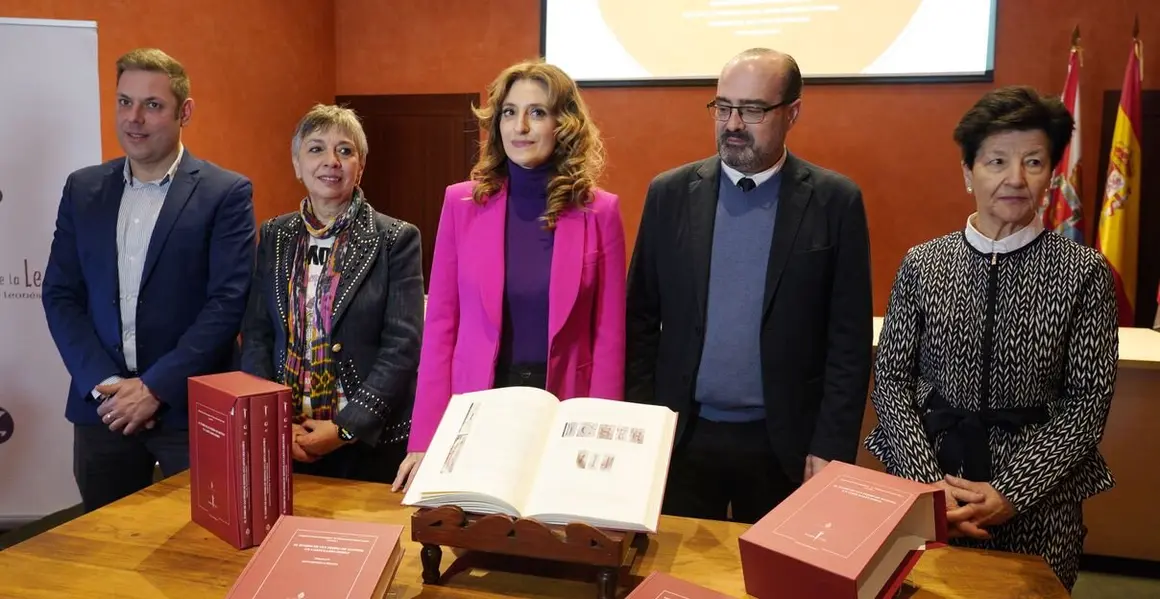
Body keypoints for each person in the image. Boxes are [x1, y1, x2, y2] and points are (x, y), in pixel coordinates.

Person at [865, 85, 1118, 591]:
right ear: (967, 173)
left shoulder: (1084, 272)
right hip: (931, 487)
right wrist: (930, 487)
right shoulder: (923, 264)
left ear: (1050, 174)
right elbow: (891, 380)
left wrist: (1011, 491)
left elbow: (1088, 403)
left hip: (1037, 502)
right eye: (996, 161)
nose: (1014, 179)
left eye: (1033, 162)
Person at [625, 48, 873, 524]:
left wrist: (831, 447)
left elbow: (848, 343)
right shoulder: (670, 194)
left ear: (792, 112)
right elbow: (640, 318)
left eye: (753, 109)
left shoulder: (834, 201)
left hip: (785, 444)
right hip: (683, 439)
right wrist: (645, 429)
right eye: (723, 107)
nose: (733, 123)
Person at [392, 59, 626, 491]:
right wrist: (424, 438)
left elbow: (609, 337)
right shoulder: (461, 204)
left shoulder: (600, 211)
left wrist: (601, 436)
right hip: (480, 399)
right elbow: (441, 325)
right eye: (509, 112)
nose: (520, 126)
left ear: (564, 124)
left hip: (565, 403)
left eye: (537, 112)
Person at [42, 48, 255, 513]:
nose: (134, 119)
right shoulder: (83, 189)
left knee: (200, 555)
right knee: (105, 552)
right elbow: (60, 293)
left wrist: (154, 388)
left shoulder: (226, 193)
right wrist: (104, 382)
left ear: (185, 111)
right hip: (104, 412)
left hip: (190, 412)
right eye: (124, 102)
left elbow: (227, 301)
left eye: (152, 105)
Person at [240, 104, 424, 483]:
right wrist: (271, 421)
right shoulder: (275, 235)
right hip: (284, 436)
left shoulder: (396, 239)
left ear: (361, 166)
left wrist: (345, 428)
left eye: (345, 150)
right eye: (316, 149)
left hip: (369, 441)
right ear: (296, 164)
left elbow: (402, 347)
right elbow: (257, 335)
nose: (331, 161)